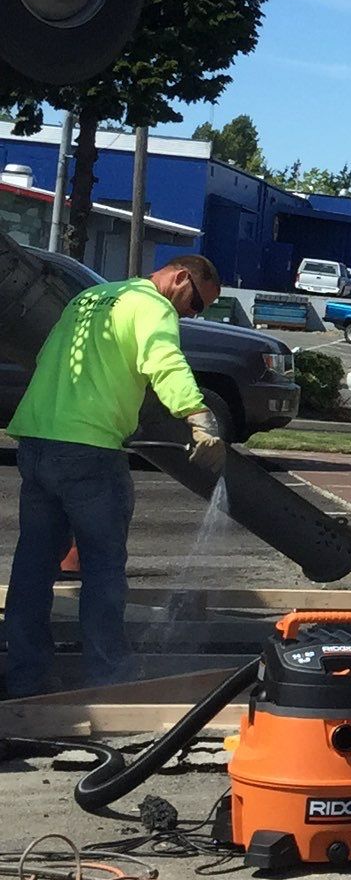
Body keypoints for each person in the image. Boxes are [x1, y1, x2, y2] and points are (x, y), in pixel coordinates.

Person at [4, 253, 226, 696]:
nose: (191, 313)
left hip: (38, 440)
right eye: (196, 303)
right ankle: (108, 677)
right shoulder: (152, 306)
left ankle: (27, 676)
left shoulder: (92, 297)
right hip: (89, 450)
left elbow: (50, 355)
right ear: (182, 278)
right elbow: (163, 359)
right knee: (104, 569)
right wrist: (196, 414)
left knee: (33, 566)